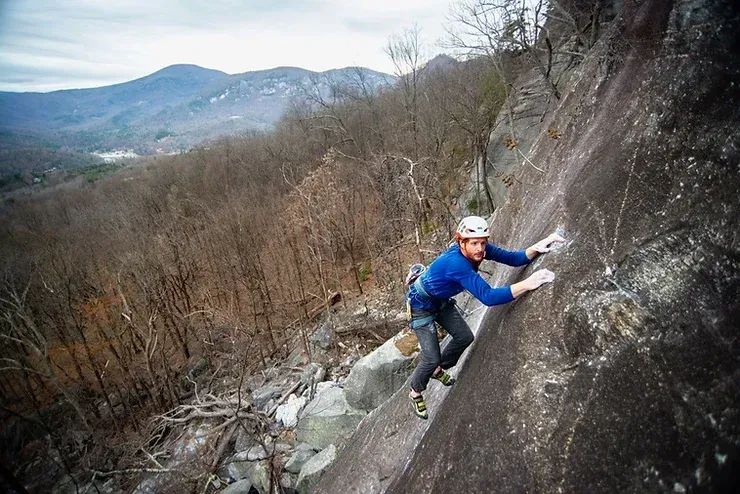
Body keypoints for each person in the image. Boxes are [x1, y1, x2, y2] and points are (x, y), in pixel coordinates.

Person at [405, 216, 565, 419]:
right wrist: (528, 283)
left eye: (483, 242)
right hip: (421, 306)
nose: (480, 248)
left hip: (440, 300)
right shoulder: (457, 264)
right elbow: (488, 297)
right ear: (461, 242)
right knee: (431, 357)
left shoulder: (478, 250)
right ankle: (415, 391)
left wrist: (539, 246)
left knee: (465, 337)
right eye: (474, 243)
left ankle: (438, 369)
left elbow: (513, 258)